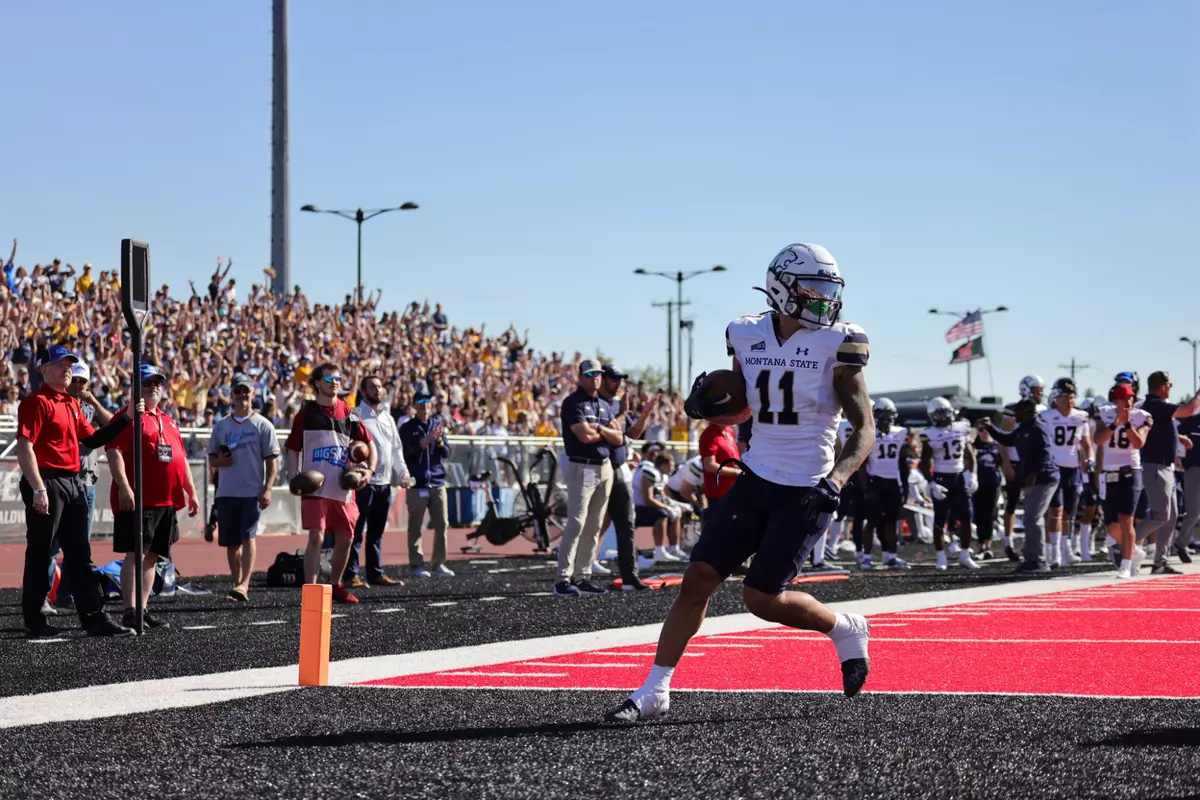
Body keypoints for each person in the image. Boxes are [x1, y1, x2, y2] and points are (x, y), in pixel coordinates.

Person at [605, 242, 874, 723]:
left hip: (807, 486)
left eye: (828, 289)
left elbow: (865, 427)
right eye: (812, 288)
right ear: (781, 287)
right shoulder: (745, 333)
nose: (823, 300)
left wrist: (836, 479)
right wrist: (709, 407)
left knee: (760, 599)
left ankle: (845, 628)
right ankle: (655, 689)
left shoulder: (841, 341)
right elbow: (744, 406)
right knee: (697, 580)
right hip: (755, 476)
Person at [16, 345, 136, 639]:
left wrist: (127, 417)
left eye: (70, 364)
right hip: (48, 480)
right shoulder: (36, 402)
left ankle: (94, 618)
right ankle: (35, 621)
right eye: (61, 364)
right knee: (41, 552)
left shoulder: (70, 403)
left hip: (72, 481)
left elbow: (94, 440)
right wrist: (38, 488)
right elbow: (24, 447)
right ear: (43, 369)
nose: (68, 369)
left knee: (80, 555)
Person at [106, 363, 201, 630]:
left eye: (157, 383)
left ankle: (142, 609)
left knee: (152, 557)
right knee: (135, 554)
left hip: (166, 500)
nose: (153, 388)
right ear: (135, 387)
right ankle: (128, 610)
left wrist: (191, 491)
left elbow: (180, 459)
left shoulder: (168, 420)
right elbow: (113, 452)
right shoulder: (126, 417)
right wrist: (124, 486)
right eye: (147, 383)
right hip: (140, 499)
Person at [284, 362, 375, 603]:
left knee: (346, 540)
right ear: (316, 383)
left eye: (337, 378)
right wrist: (294, 478)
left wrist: (369, 471)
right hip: (316, 488)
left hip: (344, 487)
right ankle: (311, 590)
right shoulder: (305, 414)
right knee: (317, 537)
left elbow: (370, 445)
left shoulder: (350, 413)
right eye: (328, 379)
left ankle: (336, 584)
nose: (335, 382)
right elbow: (292, 449)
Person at [207, 374, 280, 601]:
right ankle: (237, 583)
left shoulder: (263, 425)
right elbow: (212, 458)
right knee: (231, 543)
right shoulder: (221, 426)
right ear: (232, 395)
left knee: (248, 537)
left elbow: (272, 461)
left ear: (252, 394)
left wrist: (267, 488)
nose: (242, 395)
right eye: (238, 391)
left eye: (246, 391)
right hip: (227, 492)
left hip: (251, 492)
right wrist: (221, 462)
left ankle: (245, 584)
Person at [554, 360, 623, 598]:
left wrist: (600, 430)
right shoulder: (573, 403)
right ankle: (563, 578)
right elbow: (583, 436)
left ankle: (583, 576)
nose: (595, 377)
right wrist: (605, 431)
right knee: (576, 523)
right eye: (590, 373)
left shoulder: (605, 403)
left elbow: (619, 438)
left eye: (598, 374)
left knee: (594, 525)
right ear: (581, 376)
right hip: (583, 467)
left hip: (603, 467)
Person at [49, 359, 113, 611]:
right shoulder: (61, 403)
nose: (77, 385)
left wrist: (94, 401)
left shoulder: (90, 406)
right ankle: (44, 595)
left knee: (81, 545)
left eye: (82, 381)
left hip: (87, 479)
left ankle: (67, 593)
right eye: (74, 379)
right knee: (53, 542)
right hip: (65, 478)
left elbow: (111, 425)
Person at [597, 364, 658, 591]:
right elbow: (614, 429)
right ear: (602, 380)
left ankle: (630, 576)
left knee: (626, 522)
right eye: (613, 379)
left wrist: (645, 413)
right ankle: (577, 574)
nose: (618, 384)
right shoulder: (597, 404)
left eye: (619, 380)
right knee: (590, 522)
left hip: (618, 467)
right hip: (597, 467)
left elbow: (633, 434)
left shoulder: (616, 404)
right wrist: (624, 411)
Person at [1133, 371, 1200, 573]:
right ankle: (1123, 544)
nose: (1171, 387)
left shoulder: (1157, 407)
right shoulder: (1156, 404)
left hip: (1165, 466)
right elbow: (1188, 410)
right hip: (1156, 466)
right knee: (1160, 515)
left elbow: (1160, 430)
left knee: (1171, 517)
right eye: (1169, 384)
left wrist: (1179, 438)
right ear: (1162, 385)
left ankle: (1160, 562)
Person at [983, 396, 1059, 573]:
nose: (1015, 414)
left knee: (1033, 518)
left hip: (1044, 478)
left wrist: (1033, 474)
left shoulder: (1038, 429)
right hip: (1037, 478)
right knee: (1031, 518)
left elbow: (1045, 455)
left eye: (1018, 411)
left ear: (1027, 412)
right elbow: (1007, 439)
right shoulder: (1024, 428)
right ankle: (1032, 558)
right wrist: (990, 428)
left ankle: (1038, 560)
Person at [350, 375, 411, 586]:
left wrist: (402, 472)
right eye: (373, 387)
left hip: (384, 483)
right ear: (364, 391)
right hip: (363, 482)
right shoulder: (356, 415)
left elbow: (396, 450)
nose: (378, 390)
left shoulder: (388, 417)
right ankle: (350, 574)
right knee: (356, 531)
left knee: (376, 531)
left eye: (379, 386)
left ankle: (375, 572)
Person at [1093, 383, 1151, 577]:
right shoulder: (1104, 413)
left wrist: (1126, 424)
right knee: (1111, 526)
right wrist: (1115, 423)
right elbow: (1098, 439)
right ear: (1115, 400)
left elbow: (1139, 443)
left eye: (1130, 397)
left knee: (1127, 520)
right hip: (1109, 473)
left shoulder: (1142, 416)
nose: (1128, 401)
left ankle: (1125, 565)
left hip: (1131, 471)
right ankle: (1133, 550)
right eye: (1123, 398)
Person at [1039, 377, 1094, 568]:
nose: (1070, 400)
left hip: (1073, 469)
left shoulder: (1081, 417)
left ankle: (1065, 548)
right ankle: (1053, 552)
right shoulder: (1046, 416)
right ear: (1056, 397)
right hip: (1054, 469)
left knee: (1069, 513)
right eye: (1065, 397)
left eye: (1072, 397)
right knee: (1056, 511)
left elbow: (1086, 444)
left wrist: (1090, 459)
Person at [920, 397, 979, 570]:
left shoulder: (962, 428)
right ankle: (941, 557)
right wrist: (931, 483)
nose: (942, 416)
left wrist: (972, 475)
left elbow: (970, 456)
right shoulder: (929, 433)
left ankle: (965, 555)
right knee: (940, 519)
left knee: (967, 518)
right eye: (938, 413)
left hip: (959, 476)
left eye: (944, 411)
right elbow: (925, 462)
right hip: (941, 477)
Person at [399, 393, 453, 578]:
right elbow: (405, 456)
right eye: (421, 404)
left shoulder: (437, 425)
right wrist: (422, 444)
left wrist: (438, 442)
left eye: (428, 404)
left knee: (442, 524)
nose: (425, 408)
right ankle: (416, 563)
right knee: (415, 526)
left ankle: (439, 563)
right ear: (414, 405)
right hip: (417, 483)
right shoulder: (407, 429)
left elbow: (447, 452)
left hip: (437, 482)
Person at [999, 375, 1046, 560]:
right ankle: (1008, 543)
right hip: (1017, 461)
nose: (1039, 393)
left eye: (1040, 389)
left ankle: (1032, 543)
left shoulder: (1044, 410)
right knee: (1011, 503)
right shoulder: (1012, 410)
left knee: (1034, 507)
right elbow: (1003, 439)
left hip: (1033, 464)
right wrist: (1006, 462)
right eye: (1036, 389)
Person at [860, 398, 909, 569]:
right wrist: (866, 488)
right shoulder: (869, 433)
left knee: (891, 521)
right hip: (875, 481)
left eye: (888, 415)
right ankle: (866, 557)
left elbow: (903, 461)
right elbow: (863, 464)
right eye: (882, 415)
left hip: (892, 482)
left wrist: (905, 485)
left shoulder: (901, 432)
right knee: (871, 521)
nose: (885, 419)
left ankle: (891, 557)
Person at [633, 451, 685, 562]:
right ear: (663, 465)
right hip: (635, 508)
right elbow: (648, 499)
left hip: (646, 507)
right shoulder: (650, 473)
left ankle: (673, 548)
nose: (672, 469)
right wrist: (667, 508)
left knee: (676, 513)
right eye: (670, 466)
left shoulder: (662, 476)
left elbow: (662, 497)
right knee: (662, 514)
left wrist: (676, 505)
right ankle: (659, 551)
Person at [971, 420, 1004, 560]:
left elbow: (1003, 462)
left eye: (986, 429)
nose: (984, 433)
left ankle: (987, 544)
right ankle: (981, 544)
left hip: (993, 482)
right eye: (981, 430)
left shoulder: (997, 445)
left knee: (990, 513)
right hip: (978, 483)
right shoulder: (974, 446)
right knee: (978, 514)